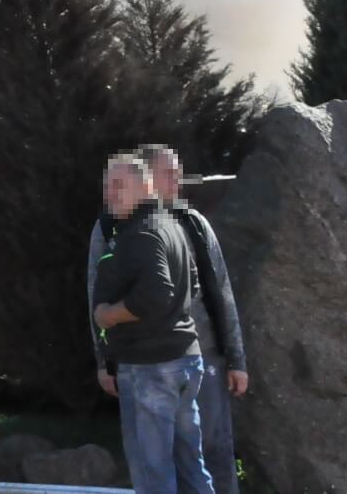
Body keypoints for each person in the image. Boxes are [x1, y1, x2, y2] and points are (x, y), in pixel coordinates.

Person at [93, 153, 213, 494]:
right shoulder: (171, 226)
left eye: (119, 185)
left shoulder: (140, 233)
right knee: (192, 466)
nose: (110, 194)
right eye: (107, 186)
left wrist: (108, 315)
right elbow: (192, 283)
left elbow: (156, 294)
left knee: (153, 475)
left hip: (151, 367)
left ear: (145, 186)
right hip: (185, 361)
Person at [142, 144, 250, 494]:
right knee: (163, 457)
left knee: (215, 450)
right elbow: (99, 293)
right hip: (149, 364)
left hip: (206, 358)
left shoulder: (195, 224)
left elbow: (222, 293)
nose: (177, 180)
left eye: (178, 172)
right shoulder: (117, 229)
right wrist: (105, 363)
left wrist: (236, 359)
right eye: (168, 173)